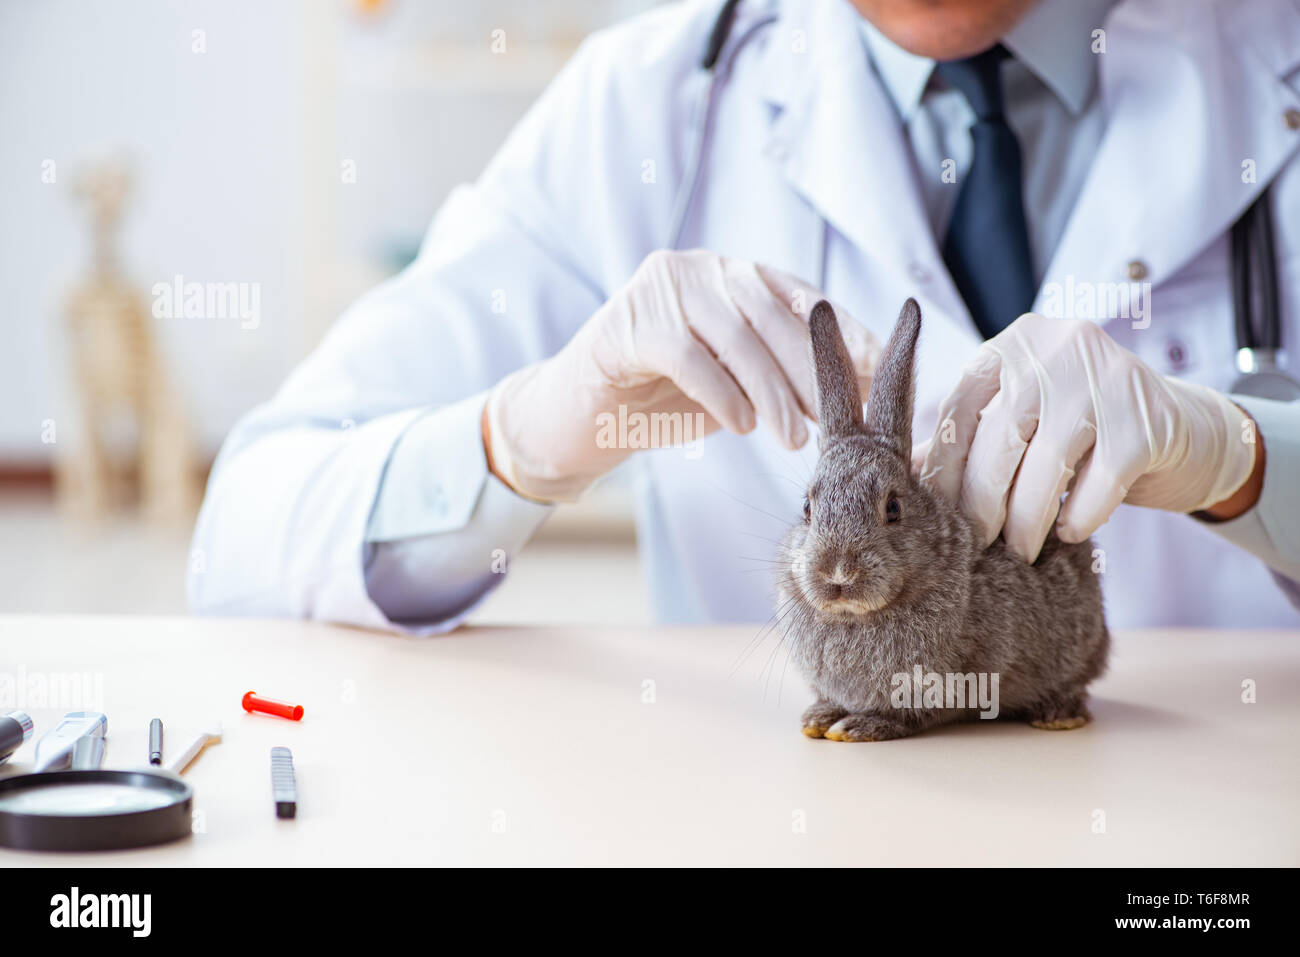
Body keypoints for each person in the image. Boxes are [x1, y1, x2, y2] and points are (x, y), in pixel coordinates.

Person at [189, 0, 1300, 632]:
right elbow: (245, 536)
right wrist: (524, 437)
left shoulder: (1268, 63)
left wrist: (1243, 462)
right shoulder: (648, 105)